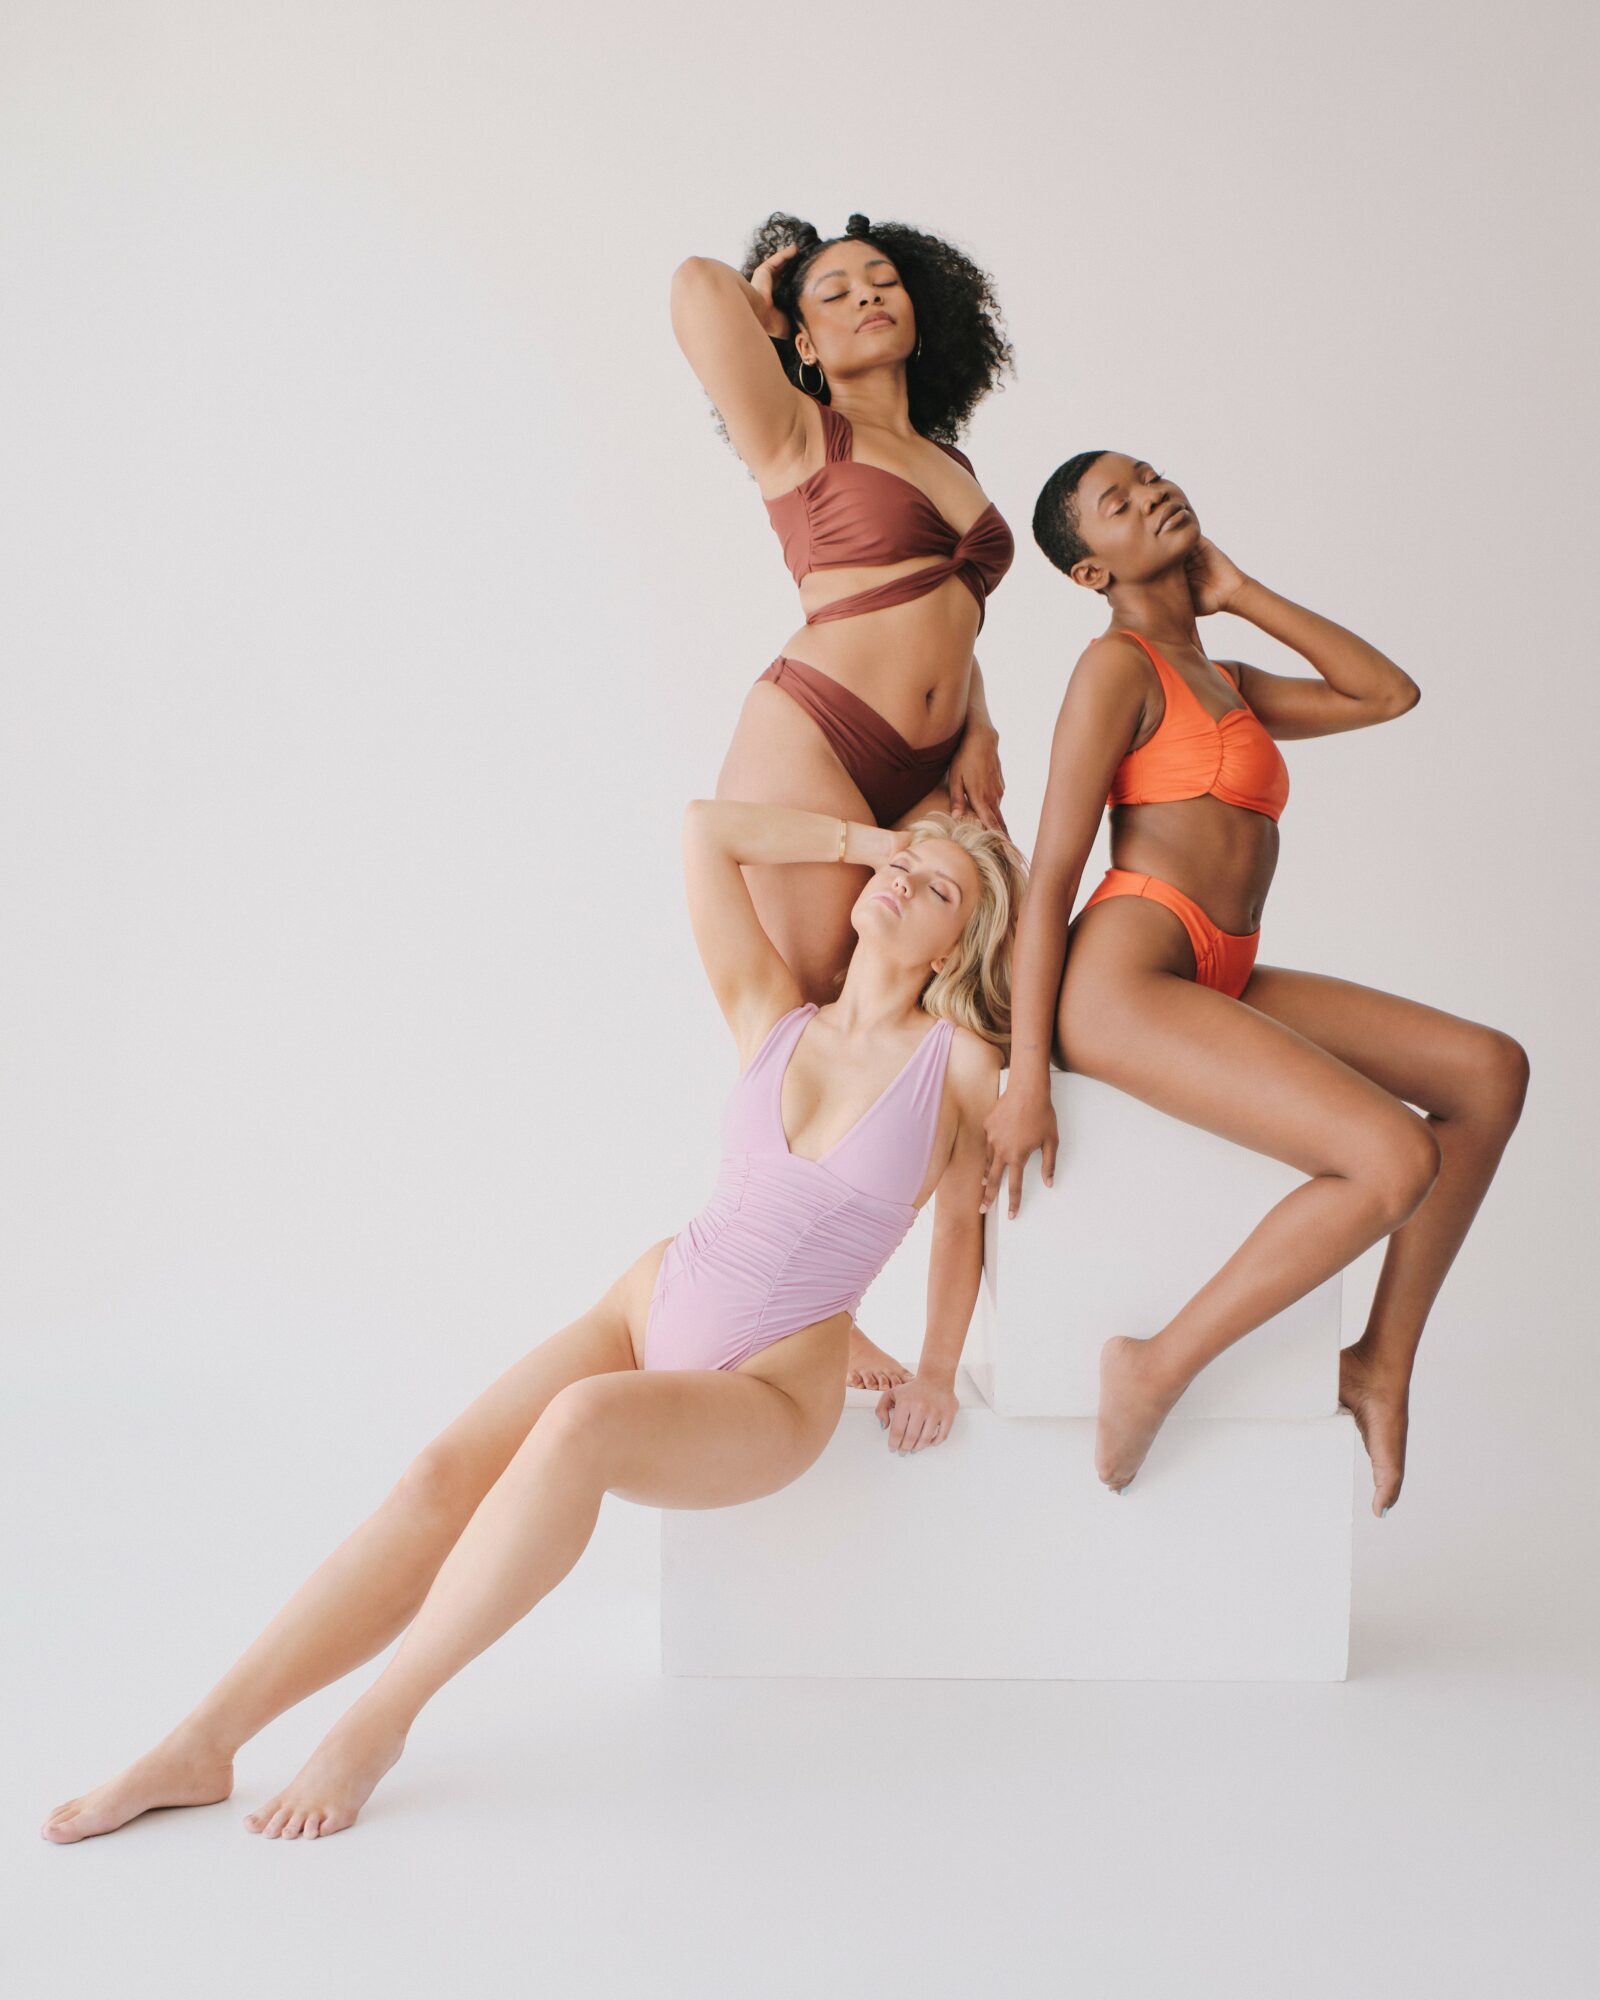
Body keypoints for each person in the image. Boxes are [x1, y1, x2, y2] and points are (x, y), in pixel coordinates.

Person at [42, 798, 1024, 1843]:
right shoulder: (769, 1011)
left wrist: (932, 1364)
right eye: (901, 866)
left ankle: (377, 1722)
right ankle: (202, 1740)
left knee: (581, 1421)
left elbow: (959, 1224)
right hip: (650, 1302)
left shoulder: (956, 1063)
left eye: (938, 889)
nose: (903, 883)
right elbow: (705, 831)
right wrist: (867, 843)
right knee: (433, 1478)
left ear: (958, 939)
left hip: (773, 1384)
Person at [983, 450, 1528, 1513]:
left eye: (1149, 478)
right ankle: (1155, 1363)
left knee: (1487, 1070)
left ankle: (1378, 1361)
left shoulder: (1223, 674)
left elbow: (1386, 692)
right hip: (1124, 976)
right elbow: (1050, 874)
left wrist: (1234, 592)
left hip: (1215, 966)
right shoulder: (1116, 669)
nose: (1150, 496)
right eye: (1119, 503)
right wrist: (1024, 1071)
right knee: (1391, 1154)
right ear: (1090, 571)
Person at [672, 208, 1016, 1389]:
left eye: (884, 281)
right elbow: (689, 287)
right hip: (817, 733)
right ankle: (811, 1302)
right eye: (836, 293)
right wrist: (769, 306)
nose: (868, 296)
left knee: (950, 1011)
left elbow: (949, 612)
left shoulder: (951, 464)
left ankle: (884, 1289)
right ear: (804, 342)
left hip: (930, 766)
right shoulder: (795, 432)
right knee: (815, 1012)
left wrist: (977, 719)